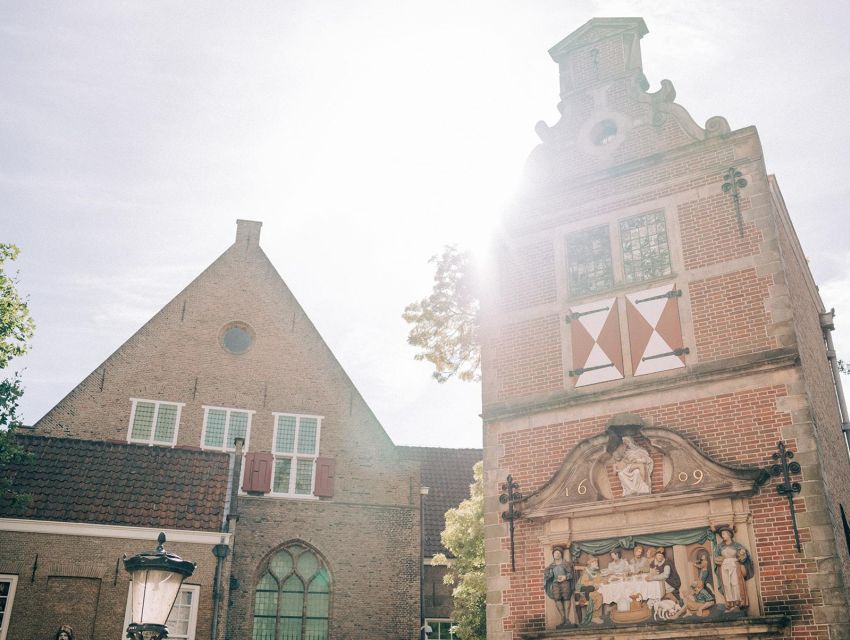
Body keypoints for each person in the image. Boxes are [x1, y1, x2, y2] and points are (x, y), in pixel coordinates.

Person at [713, 526, 753, 611]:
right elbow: (716, 557)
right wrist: (718, 559)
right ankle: (730, 603)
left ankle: (738, 602)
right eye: (721, 534)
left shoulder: (737, 545)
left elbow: (744, 557)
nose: (722, 535)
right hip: (724, 566)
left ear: (729, 535)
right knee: (727, 584)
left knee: (735, 583)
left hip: (734, 565)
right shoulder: (719, 546)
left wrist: (742, 554)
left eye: (724, 534)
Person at [544, 547, 575, 628]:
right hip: (555, 584)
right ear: (553, 555)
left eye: (558, 553)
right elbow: (548, 577)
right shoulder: (551, 566)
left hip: (565, 583)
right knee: (557, 599)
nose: (557, 554)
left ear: (561, 554)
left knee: (566, 598)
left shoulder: (566, 564)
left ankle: (568, 618)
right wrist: (549, 574)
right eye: (555, 553)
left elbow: (571, 574)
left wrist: (565, 577)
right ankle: (562, 618)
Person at [574, 557, 604, 625]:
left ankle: (596, 616)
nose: (597, 564)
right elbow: (584, 583)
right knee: (597, 595)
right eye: (595, 562)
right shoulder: (586, 572)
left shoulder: (595, 572)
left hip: (591, 589)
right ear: (591, 564)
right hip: (583, 591)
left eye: (597, 562)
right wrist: (594, 584)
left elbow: (600, 579)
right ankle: (594, 616)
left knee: (600, 594)